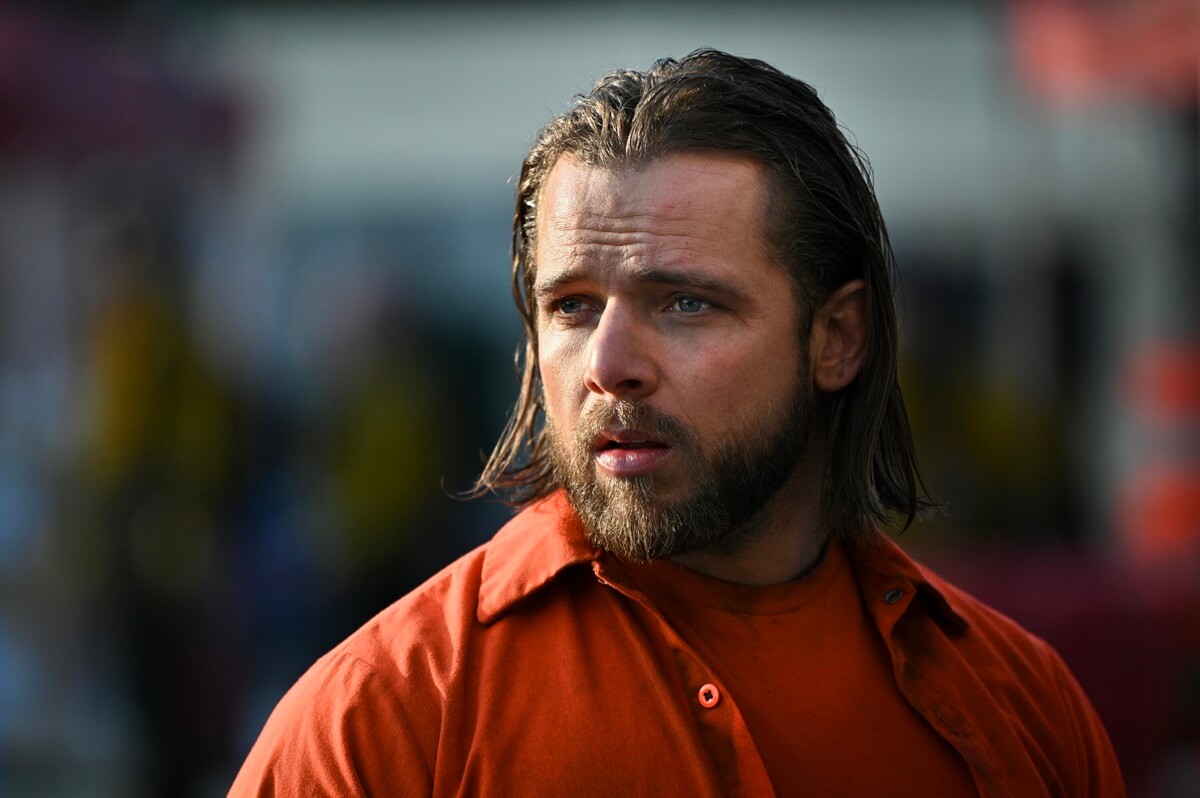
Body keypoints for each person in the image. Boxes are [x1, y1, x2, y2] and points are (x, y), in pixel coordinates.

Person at [230, 49, 1124, 796]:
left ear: (837, 338)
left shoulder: (1024, 708)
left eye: (686, 303)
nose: (609, 363)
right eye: (573, 307)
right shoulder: (380, 724)